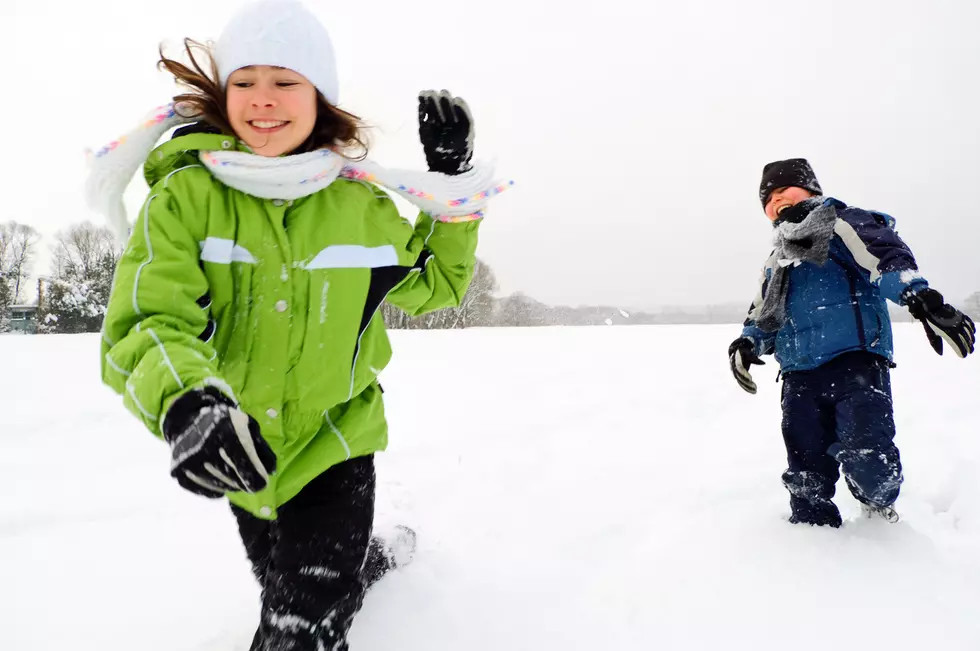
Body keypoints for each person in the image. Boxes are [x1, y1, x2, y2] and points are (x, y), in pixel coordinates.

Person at [85, 1, 511, 648]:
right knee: (288, 584)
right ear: (222, 93)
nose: (264, 100)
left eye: (286, 81)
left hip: (337, 444)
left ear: (321, 97)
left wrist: (451, 190)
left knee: (299, 623)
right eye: (244, 81)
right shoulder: (185, 199)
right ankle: (363, 568)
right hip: (245, 448)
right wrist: (187, 403)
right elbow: (146, 319)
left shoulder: (359, 205)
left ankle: (341, 581)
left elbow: (439, 284)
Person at [729, 158, 975, 528]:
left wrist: (921, 299)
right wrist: (748, 343)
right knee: (805, 467)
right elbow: (764, 311)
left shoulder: (841, 223)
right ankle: (812, 537)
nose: (776, 201)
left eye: (784, 190)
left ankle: (878, 515)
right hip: (798, 374)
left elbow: (885, 259)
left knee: (869, 456)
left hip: (855, 363)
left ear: (811, 189)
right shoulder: (777, 259)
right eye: (768, 198)